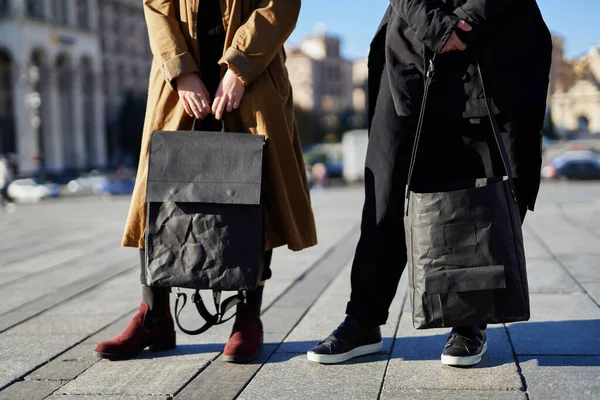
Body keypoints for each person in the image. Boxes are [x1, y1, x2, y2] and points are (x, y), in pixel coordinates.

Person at [308, 0, 551, 367]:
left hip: (498, 41)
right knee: (388, 191)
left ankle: (470, 319)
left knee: (487, 189)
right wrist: (436, 25)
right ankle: (364, 319)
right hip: (411, 43)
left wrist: (467, 20)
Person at [95, 0, 316, 363]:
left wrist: (239, 66)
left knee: (257, 186)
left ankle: (248, 316)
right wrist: (180, 70)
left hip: (254, 72)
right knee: (156, 188)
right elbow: (156, 5)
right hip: (178, 78)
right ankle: (154, 315)